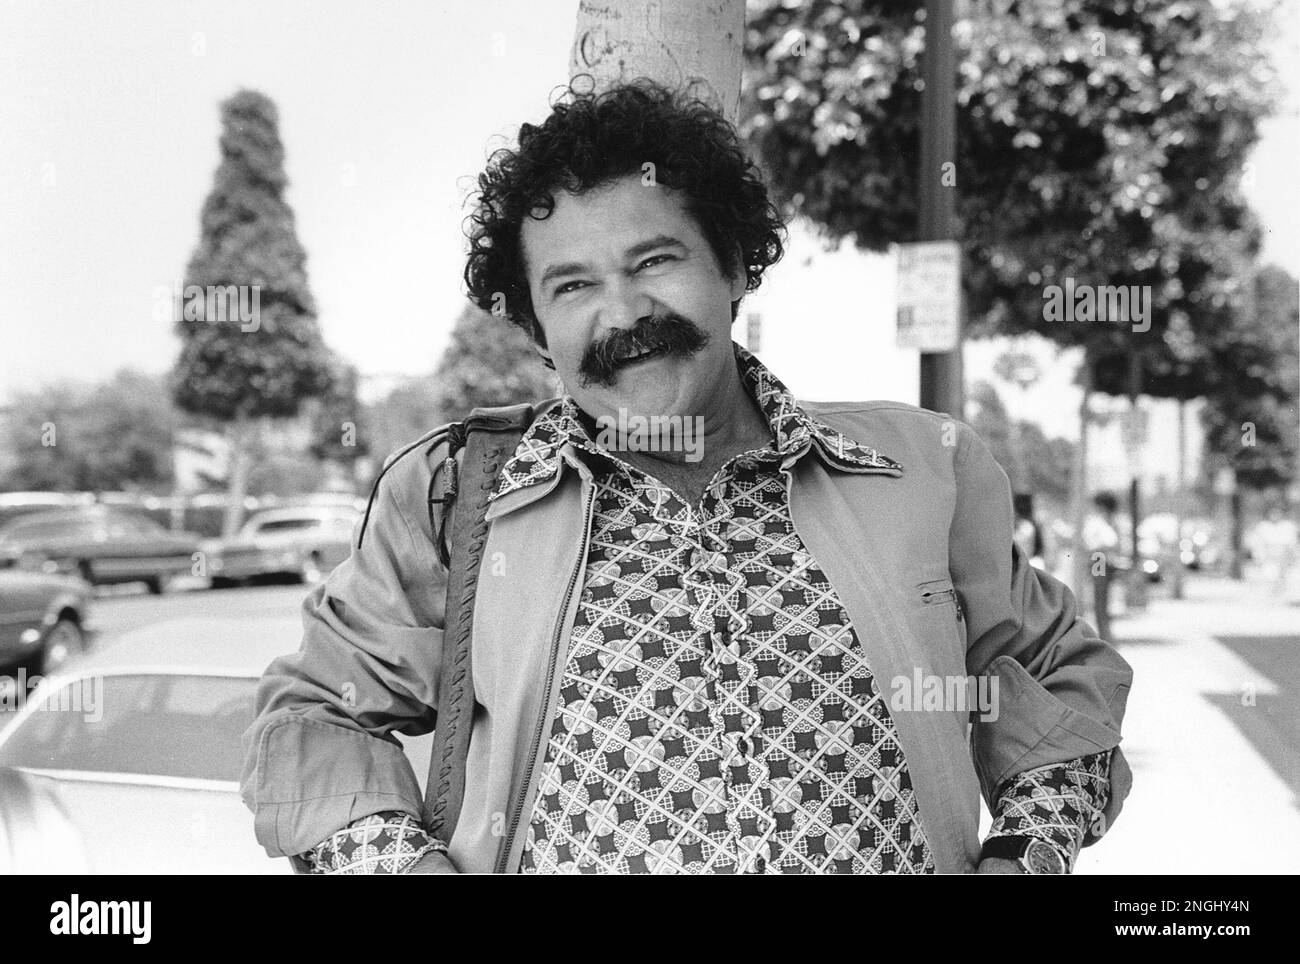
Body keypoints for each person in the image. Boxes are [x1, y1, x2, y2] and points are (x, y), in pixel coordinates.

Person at [240, 79, 1132, 875]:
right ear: (535, 326)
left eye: (654, 262)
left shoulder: (923, 472)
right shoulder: (458, 500)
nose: (622, 314)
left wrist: (1025, 855)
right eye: (573, 286)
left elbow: (1058, 672)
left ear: (737, 264)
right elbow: (315, 716)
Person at [1082, 492, 1122, 645]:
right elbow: (1095, 543)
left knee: (1103, 599)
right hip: (1098, 559)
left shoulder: (1107, 522)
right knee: (1099, 598)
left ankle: (1105, 633)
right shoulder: (1097, 522)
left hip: (1104, 560)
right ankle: (1104, 634)